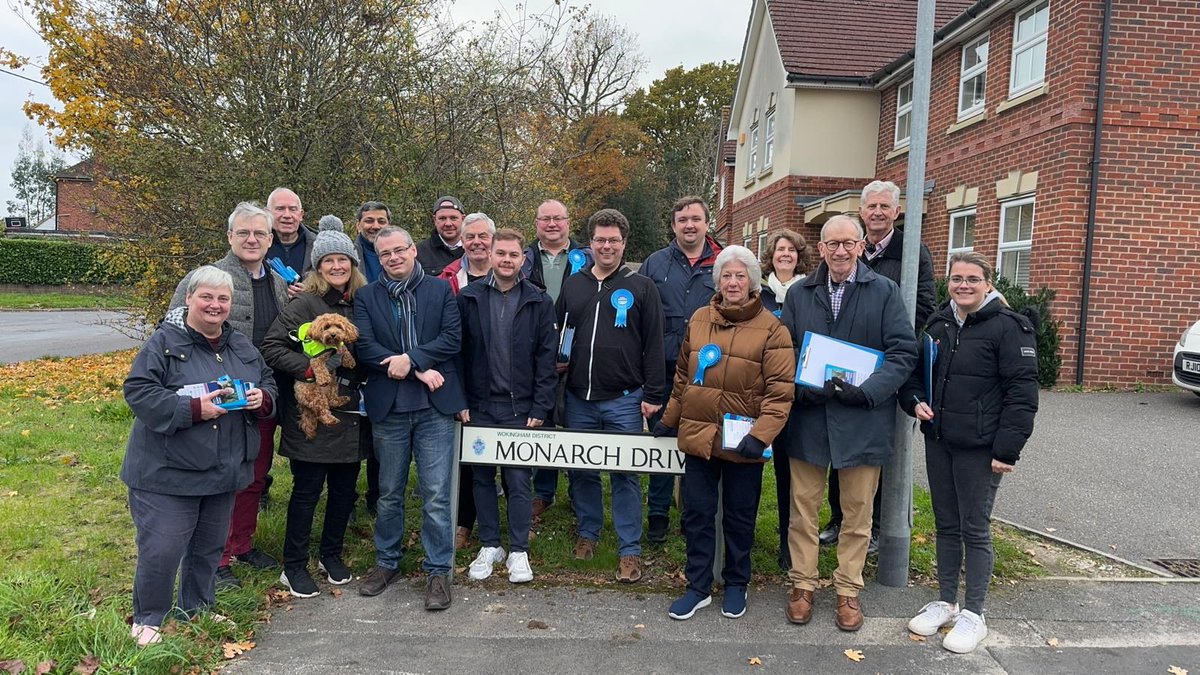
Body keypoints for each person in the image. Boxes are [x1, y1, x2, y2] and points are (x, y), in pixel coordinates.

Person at [121, 265, 277, 646]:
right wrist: (193, 410)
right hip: (167, 471)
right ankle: (149, 618)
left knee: (208, 547)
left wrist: (263, 398)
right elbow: (139, 391)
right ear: (188, 298)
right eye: (206, 296)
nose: (215, 305)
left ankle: (198, 608)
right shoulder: (164, 342)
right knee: (163, 547)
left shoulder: (239, 344)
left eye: (222, 299)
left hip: (223, 469)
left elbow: (267, 379)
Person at [779, 214, 917, 631]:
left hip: (862, 419)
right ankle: (803, 584)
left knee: (857, 513)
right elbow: (783, 351)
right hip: (809, 418)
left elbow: (902, 352)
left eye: (848, 243)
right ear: (819, 249)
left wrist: (870, 390)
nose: (840, 251)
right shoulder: (800, 294)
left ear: (860, 246)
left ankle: (847, 590)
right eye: (832, 244)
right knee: (803, 510)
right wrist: (802, 388)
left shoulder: (884, 291)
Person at [902, 252, 1039, 654]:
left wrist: (1007, 451)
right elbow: (915, 373)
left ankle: (974, 614)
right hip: (940, 440)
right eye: (957, 278)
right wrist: (914, 402)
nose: (963, 285)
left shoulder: (1010, 328)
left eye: (972, 279)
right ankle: (947, 602)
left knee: (974, 528)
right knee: (946, 524)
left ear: (989, 284)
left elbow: (1023, 395)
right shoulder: (939, 323)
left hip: (981, 449)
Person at [654, 245, 794, 621]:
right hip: (699, 436)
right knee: (697, 514)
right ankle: (698, 586)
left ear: (752, 281)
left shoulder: (772, 329)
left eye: (740, 275)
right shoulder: (699, 319)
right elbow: (683, 377)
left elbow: (781, 391)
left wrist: (762, 435)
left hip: (743, 442)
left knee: (739, 516)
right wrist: (669, 419)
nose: (733, 282)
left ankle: (736, 583)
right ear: (718, 280)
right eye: (726, 276)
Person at [169, 202, 289, 589]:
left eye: (260, 233)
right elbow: (170, 327)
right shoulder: (207, 278)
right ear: (230, 237)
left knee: (254, 474)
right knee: (219, 478)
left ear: (271, 239)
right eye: (244, 233)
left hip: (260, 392)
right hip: (215, 395)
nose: (252, 239)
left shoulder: (280, 281)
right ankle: (215, 559)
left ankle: (241, 544)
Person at [819, 180, 936, 554]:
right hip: (844, 362)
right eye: (871, 207)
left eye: (885, 206)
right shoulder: (852, 248)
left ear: (896, 211)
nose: (878, 213)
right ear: (862, 212)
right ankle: (839, 518)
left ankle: (879, 526)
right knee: (841, 443)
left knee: (879, 450)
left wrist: (890, 343)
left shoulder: (913, 250)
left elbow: (923, 307)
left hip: (885, 366)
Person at [353, 225, 466, 610]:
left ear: (413, 251)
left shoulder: (439, 289)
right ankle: (387, 563)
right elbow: (365, 346)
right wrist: (415, 367)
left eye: (399, 250)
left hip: (434, 409)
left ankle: (438, 572)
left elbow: (453, 338)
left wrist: (412, 359)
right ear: (378, 258)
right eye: (385, 254)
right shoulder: (366, 296)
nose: (393, 258)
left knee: (436, 495)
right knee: (388, 494)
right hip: (390, 409)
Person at [261, 216, 368, 598]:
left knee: (344, 489)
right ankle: (294, 565)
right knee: (307, 490)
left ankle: (331, 554)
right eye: (328, 261)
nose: (337, 266)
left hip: (350, 409)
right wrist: (309, 369)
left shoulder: (362, 301)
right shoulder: (304, 304)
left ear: (353, 265)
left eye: (344, 260)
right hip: (311, 408)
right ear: (318, 267)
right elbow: (272, 346)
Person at [556, 208, 665, 583]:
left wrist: (652, 393)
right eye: (600, 240)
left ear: (624, 243)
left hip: (624, 399)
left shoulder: (642, 287)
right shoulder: (573, 283)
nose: (606, 246)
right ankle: (588, 533)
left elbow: (653, 344)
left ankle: (629, 549)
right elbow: (562, 332)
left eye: (613, 240)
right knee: (581, 471)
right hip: (578, 399)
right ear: (590, 244)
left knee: (625, 474)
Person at [457, 228, 558, 583]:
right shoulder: (468, 297)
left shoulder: (538, 301)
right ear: (491, 255)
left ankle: (518, 550)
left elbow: (547, 360)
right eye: (501, 253)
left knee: (518, 480)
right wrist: (461, 400)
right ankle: (489, 545)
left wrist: (541, 408)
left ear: (522, 259)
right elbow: (459, 354)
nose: (506, 260)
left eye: (513, 255)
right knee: (481, 478)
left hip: (522, 409)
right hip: (480, 407)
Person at [639, 196, 723, 544]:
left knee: (700, 443)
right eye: (682, 219)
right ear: (673, 226)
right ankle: (658, 513)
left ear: (707, 223)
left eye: (696, 219)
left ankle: (693, 514)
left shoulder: (723, 262)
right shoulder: (655, 264)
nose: (689, 225)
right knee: (663, 439)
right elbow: (640, 318)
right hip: (663, 370)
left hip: (711, 372)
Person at [523, 199, 592, 519]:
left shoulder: (587, 257)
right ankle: (544, 491)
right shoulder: (523, 258)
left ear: (568, 222)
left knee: (578, 425)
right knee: (543, 422)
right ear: (536, 223)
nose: (552, 224)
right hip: (536, 353)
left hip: (581, 352)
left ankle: (581, 493)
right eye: (545, 219)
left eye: (558, 219)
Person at [438, 212, 495, 549]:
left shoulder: (510, 273)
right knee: (467, 457)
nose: (476, 242)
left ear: (493, 239)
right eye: (469, 237)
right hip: (465, 376)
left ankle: (509, 524)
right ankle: (463, 523)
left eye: (482, 236)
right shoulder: (449, 279)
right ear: (461, 240)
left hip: (504, 381)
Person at [757, 228, 811, 570]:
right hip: (759, 391)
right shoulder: (758, 291)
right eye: (780, 249)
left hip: (797, 394)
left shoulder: (809, 292)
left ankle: (788, 544)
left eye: (792, 250)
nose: (786, 255)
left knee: (791, 474)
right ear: (772, 256)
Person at [352, 200, 390, 517]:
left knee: (382, 429)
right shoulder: (349, 256)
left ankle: (376, 495)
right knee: (352, 429)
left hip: (387, 350)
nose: (374, 225)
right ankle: (347, 496)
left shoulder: (394, 252)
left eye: (380, 220)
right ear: (359, 224)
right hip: (354, 347)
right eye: (369, 220)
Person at [265, 187, 315, 295]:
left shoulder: (318, 246)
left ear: (301, 215)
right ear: (268, 213)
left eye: (293, 209)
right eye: (280, 208)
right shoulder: (256, 245)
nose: (287, 215)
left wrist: (310, 293)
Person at [416, 195, 465, 277]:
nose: (448, 223)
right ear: (435, 220)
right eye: (442, 218)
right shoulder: (419, 252)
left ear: (463, 219)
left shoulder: (474, 249)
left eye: (453, 218)